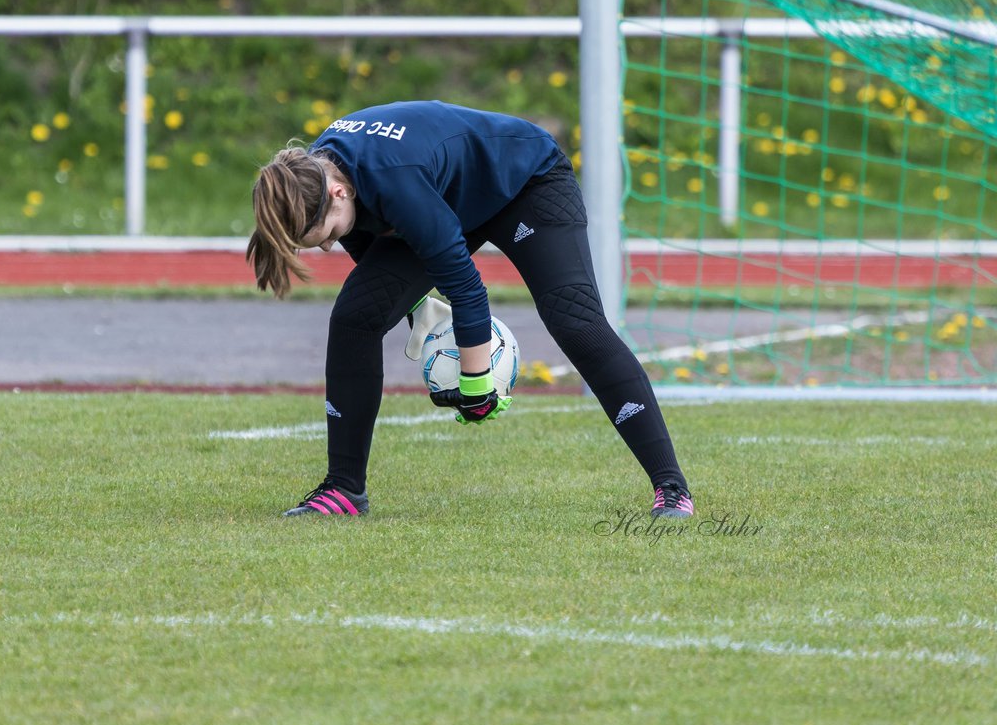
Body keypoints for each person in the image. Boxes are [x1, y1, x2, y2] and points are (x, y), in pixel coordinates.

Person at [246, 100, 694, 519]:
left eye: (325, 234)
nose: (328, 245)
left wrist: (477, 385)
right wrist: (416, 306)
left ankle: (672, 487)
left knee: (574, 321)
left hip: (526, 181)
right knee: (354, 318)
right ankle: (343, 489)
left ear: (338, 193)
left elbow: (465, 285)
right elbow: (368, 246)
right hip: (448, 197)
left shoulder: (391, 179)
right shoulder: (315, 174)